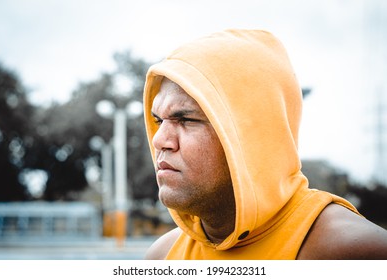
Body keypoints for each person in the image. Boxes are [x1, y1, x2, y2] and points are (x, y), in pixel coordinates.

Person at [142, 29, 387, 259]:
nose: (159, 139)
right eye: (158, 120)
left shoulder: (351, 252)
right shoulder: (163, 257)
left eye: (185, 119)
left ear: (250, 134)